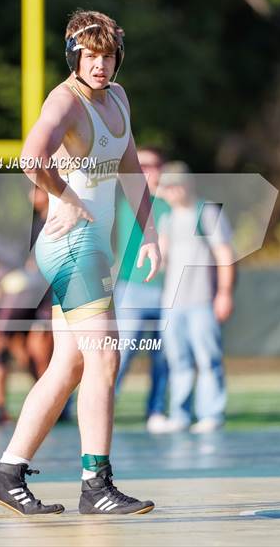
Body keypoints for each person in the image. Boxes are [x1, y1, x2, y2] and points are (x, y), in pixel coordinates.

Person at [0, 10, 160, 516]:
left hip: (91, 244)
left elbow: (131, 169)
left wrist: (148, 232)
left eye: (108, 56)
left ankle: (7, 472)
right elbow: (30, 158)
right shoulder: (65, 100)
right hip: (73, 244)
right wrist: (66, 195)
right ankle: (95, 484)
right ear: (73, 58)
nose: (100, 65)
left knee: (69, 365)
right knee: (105, 356)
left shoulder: (118, 98)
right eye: (90, 56)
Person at [156, 163, 235, 434]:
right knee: (177, 361)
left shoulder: (207, 212)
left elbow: (224, 255)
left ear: (186, 185)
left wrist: (224, 293)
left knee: (208, 359)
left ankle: (211, 414)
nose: (169, 192)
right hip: (172, 303)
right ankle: (179, 415)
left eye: (173, 186)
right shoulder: (166, 218)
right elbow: (163, 258)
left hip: (202, 300)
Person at [114, 146, 170, 433]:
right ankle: (103, 405)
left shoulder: (174, 202)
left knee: (163, 356)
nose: (146, 170)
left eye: (153, 165)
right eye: (141, 165)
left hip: (169, 290)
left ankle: (156, 410)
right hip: (132, 288)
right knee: (119, 353)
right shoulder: (128, 196)